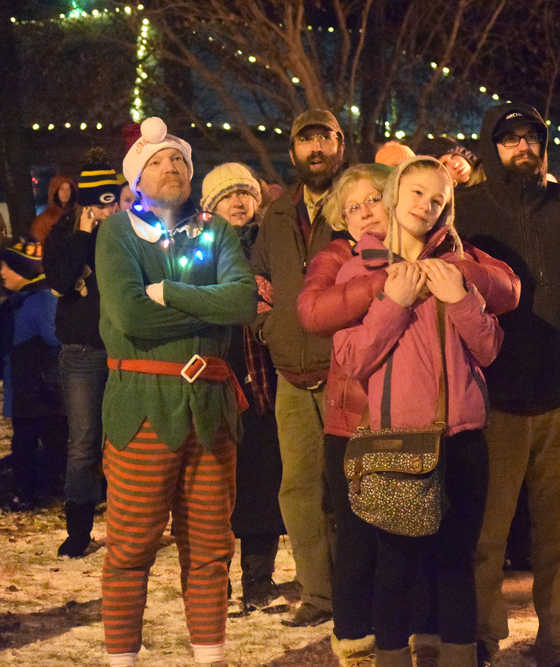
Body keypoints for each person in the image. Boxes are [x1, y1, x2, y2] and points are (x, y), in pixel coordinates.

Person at [299, 162, 519, 666]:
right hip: (397, 440)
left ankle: (459, 658)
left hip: (463, 438)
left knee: (455, 563)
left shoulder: (457, 265)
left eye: (438, 199)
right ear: (395, 196)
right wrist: (392, 303)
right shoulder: (364, 269)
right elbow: (351, 359)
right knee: (394, 568)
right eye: (417, 192)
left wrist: (461, 300)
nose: (426, 205)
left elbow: (489, 349)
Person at [456, 102, 560, 667]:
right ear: (492, 146)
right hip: (494, 402)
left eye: (531, 138)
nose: (522, 147)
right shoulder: (466, 208)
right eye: (510, 139)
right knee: (484, 536)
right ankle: (478, 636)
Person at [96, 117, 256, 666]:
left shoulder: (217, 231)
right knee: (132, 546)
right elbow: (129, 315)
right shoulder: (118, 233)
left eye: (181, 160)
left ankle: (209, 659)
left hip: (210, 412)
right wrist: (202, 308)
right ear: (137, 177)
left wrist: (168, 291)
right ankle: (124, 660)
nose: (172, 167)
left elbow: (241, 303)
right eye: (159, 161)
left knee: (211, 549)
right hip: (142, 410)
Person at [250, 108, 344, 627]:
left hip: (346, 371)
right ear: (293, 152)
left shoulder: (358, 205)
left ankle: (355, 591)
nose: (316, 149)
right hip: (291, 372)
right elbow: (259, 280)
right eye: (306, 141)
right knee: (300, 490)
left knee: (350, 488)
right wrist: (271, 329)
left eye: (324, 139)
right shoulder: (279, 214)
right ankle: (318, 596)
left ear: (340, 145)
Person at [200, 162, 285, 611]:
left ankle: (259, 577)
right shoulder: (198, 249)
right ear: (210, 206)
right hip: (216, 374)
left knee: (261, 479)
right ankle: (216, 581)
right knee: (214, 488)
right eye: (226, 195)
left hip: (262, 378)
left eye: (244, 194)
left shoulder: (269, 248)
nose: (237, 202)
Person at [43, 151, 119, 555]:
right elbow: (60, 280)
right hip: (82, 351)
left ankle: (128, 521)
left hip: (122, 349)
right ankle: (79, 528)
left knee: (124, 440)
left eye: (112, 201)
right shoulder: (64, 235)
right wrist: (86, 235)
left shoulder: (126, 234)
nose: (106, 211)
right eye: (98, 204)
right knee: (84, 440)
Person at [1, 238, 66, 511]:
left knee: (35, 441)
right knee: (29, 440)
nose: (1, 273)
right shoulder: (20, 300)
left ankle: (33, 491)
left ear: (20, 269)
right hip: (26, 387)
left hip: (38, 391)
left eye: (4, 267)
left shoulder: (40, 299)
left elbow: (55, 338)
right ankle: (36, 488)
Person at [31, 174, 77, 243]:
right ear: (55, 191)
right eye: (61, 189)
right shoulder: (44, 219)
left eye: (68, 189)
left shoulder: (76, 214)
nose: (65, 193)